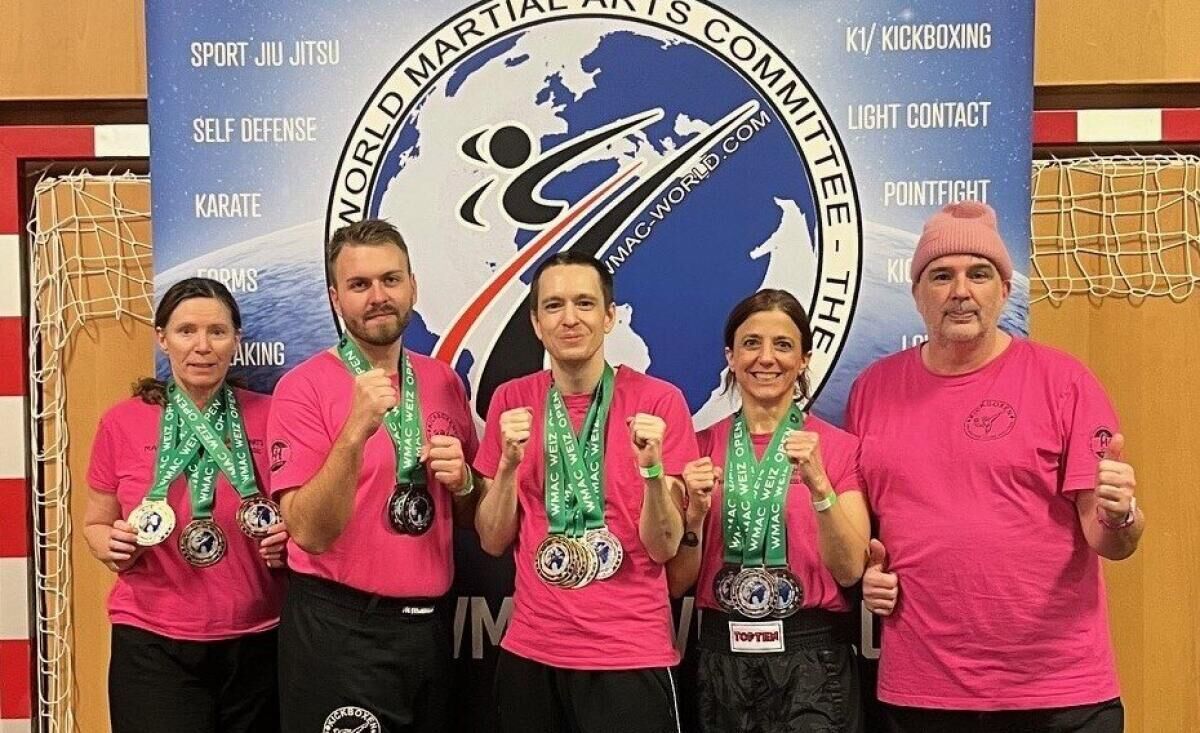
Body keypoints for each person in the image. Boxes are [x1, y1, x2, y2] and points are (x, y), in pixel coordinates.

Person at [850, 200, 1145, 733]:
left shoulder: (1065, 382)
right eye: (942, 275)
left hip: (1058, 693)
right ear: (917, 294)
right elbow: (862, 530)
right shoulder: (872, 389)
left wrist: (1122, 515)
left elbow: (1110, 542)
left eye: (979, 274)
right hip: (923, 691)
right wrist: (869, 575)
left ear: (1004, 290)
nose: (960, 291)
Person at [474, 251, 699, 733]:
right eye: (554, 306)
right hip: (531, 652)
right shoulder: (511, 400)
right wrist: (508, 466)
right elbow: (492, 539)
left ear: (609, 316)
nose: (570, 318)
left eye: (584, 303)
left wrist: (653, 472)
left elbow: (664, 547)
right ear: (536, 324)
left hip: (628, 655)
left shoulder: (659, 402)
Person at [268, 218, 478, 732]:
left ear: (413, 286)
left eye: (390, 279)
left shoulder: (444, 381)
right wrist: (354, 433)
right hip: (340, 630)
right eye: (360, 284)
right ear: (336, 298)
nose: (378, 297)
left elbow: (469, 516)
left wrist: (466, 483)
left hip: (428, 631)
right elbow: (309, 531)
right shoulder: (302, 388)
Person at [85, 277, 286, 733]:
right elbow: (95, 522)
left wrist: (289, 539)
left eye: (217, 331)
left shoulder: (274, 414)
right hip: (154, 643)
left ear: (236, 339)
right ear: (162, 338)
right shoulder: (121, 422)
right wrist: (108, 544)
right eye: (186, 331)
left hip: (260, 637)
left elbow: (304, 514)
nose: (202, 346)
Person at [667, 288, 869, 733]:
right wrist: (695, 515)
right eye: (751, 343)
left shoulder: (838, 449)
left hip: (811, 656)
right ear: (731, 356)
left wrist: (820, 486)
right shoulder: (698, 448)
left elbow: (851, 569)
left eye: (782, 345)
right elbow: (677, 582)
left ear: (804, 359)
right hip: (721, 654)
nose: (766, 358)